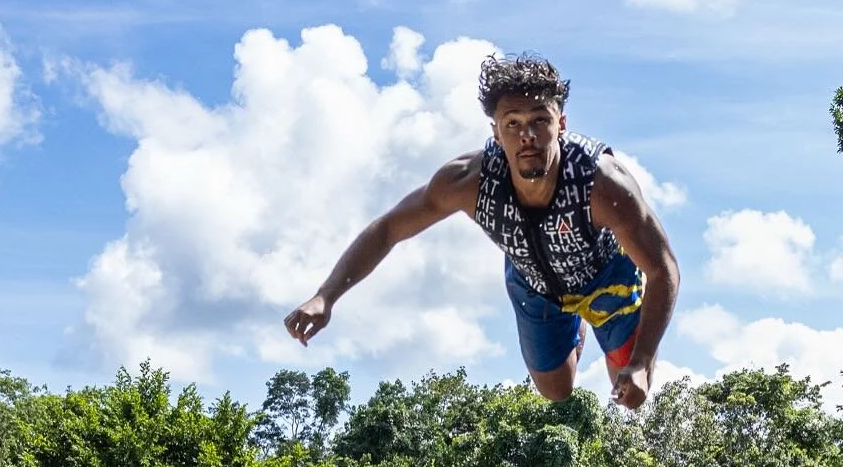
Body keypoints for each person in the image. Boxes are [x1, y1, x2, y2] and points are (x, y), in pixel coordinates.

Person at [284, 54, 680, 412]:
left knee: (629, 395)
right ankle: (570, 330)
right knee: (556, 391)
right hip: (535, 283)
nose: (527, 136)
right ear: (495, 132)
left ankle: (607, 335)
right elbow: (389, 229)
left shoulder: (603, 184)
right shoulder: (468, 181)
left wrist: (644, 362)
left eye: (540, 120)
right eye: (513, 124)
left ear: (560, 124)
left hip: (606, 278)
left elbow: (664, 269)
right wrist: (326, 295)